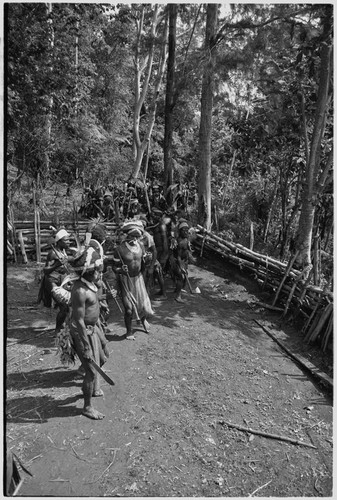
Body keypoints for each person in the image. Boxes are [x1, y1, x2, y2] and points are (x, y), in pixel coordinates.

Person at [68, 247, 108, 420]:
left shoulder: (90, 284)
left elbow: (93, 302)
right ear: (88, 272)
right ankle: (87, 407)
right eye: (96, 271)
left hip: (95, 329)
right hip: (83, 333)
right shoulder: (79, 291)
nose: (99, 274)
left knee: (104, 357)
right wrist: (85, 346)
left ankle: (88, 381)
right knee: (91, 371)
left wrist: (104, 299)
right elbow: (78, 321)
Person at [112, 221, 154, 340]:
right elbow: (114, 268)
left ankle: (143, 320)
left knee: (143, 305)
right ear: (127, 235)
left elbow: (144, 262)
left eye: (137, 236)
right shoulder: (120, 249)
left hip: (139, 279)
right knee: (129, 309)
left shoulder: (140, 246)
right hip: (125, 280)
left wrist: (148, 261)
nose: (134, 239)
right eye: (132, 236)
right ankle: (129, 331)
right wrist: (121, 269)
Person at [38, 228, 74, 334]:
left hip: (61, 281)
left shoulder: (62, 251)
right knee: (64, 306)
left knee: (68, 304)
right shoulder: (52, 253)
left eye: (69, 240)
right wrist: (56, 265)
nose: (69, 242)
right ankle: (58, 330)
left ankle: (63, 325)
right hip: (51, 282)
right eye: (66, 240)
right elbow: (46, 270)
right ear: (59, 241)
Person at [170, 221, 196, 303]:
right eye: (183, 230)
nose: (186, 232)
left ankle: (178, 289)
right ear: (180, 231)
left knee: (184, 276)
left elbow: (194, 237)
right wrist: (181, 265)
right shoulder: (180, 242)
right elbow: (178, 256)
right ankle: (177, 296)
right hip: (177, 261)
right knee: (181, 277)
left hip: (183, 260)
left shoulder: (186, 238)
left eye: (187, 230)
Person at [139, 215, 157, 293]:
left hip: (147, 262)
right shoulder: (137, 236)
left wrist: (151, 267)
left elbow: (154, 251)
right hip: (139, 262)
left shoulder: (147, 236)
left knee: (145, 282)